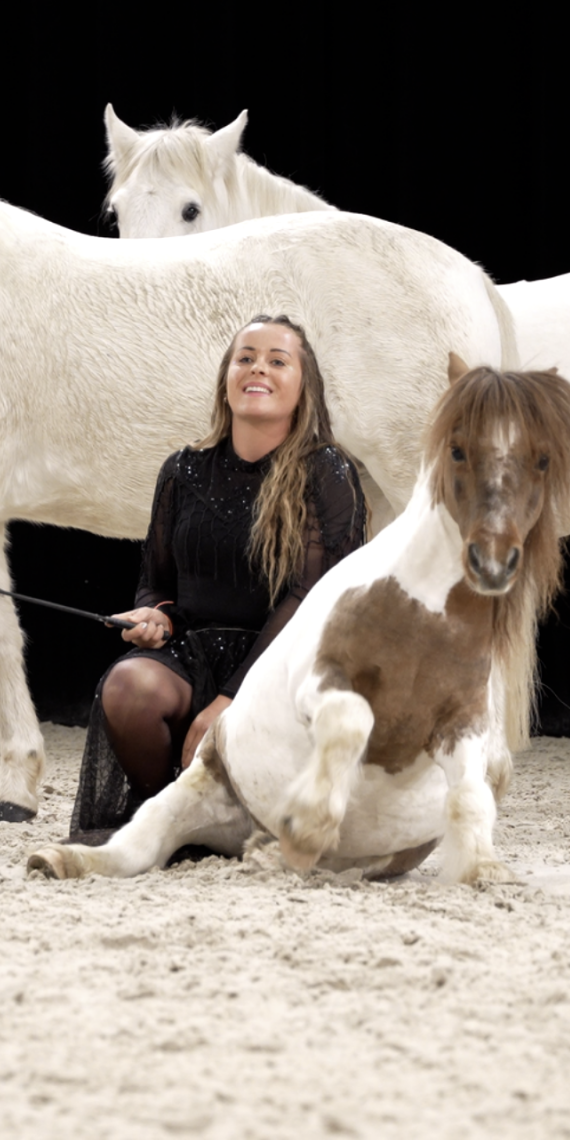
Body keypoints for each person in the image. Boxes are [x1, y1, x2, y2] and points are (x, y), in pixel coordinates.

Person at [70, 313, 370, 839]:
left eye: (278, 360)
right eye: (245, 358)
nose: (259, 368)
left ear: (304, 386)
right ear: (226, 379)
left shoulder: (326, 471)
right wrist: (154, 616)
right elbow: (157, 580)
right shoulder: (183, 470)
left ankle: (217, 814)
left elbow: (309, 599)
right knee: (129, 686)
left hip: (283, 664)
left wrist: (230, 701)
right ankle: (172, 821)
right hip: (194, 658)